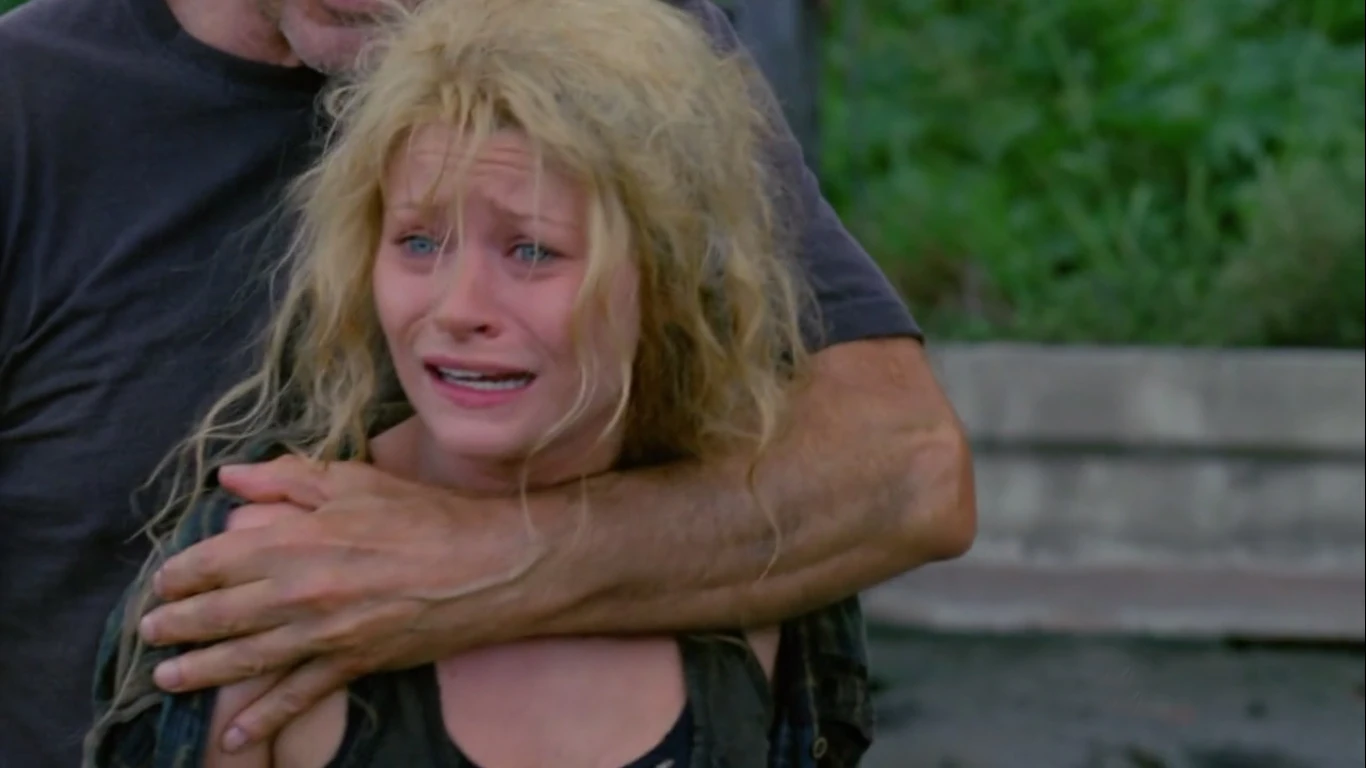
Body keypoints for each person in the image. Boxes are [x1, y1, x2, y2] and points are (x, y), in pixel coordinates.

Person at [0, 0, 975, 765]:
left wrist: (481, 562)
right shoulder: (29, 109)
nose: (462, 302)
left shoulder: (618, 48)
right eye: (417, 241)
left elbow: (906, 476)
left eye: (533, 248)